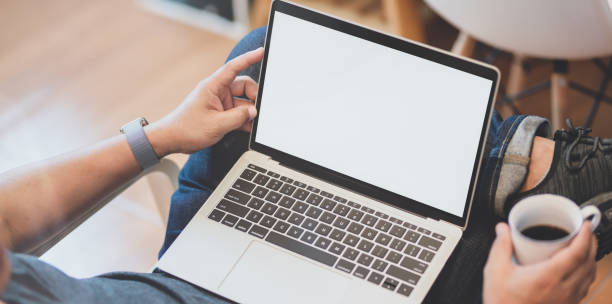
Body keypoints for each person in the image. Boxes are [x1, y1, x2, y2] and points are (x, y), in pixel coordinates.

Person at [0, 27, 610, 304]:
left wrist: (160, 136)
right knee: (484, 232)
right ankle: (538, 173)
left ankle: (522, 169)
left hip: (179, 278)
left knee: (257, 60)